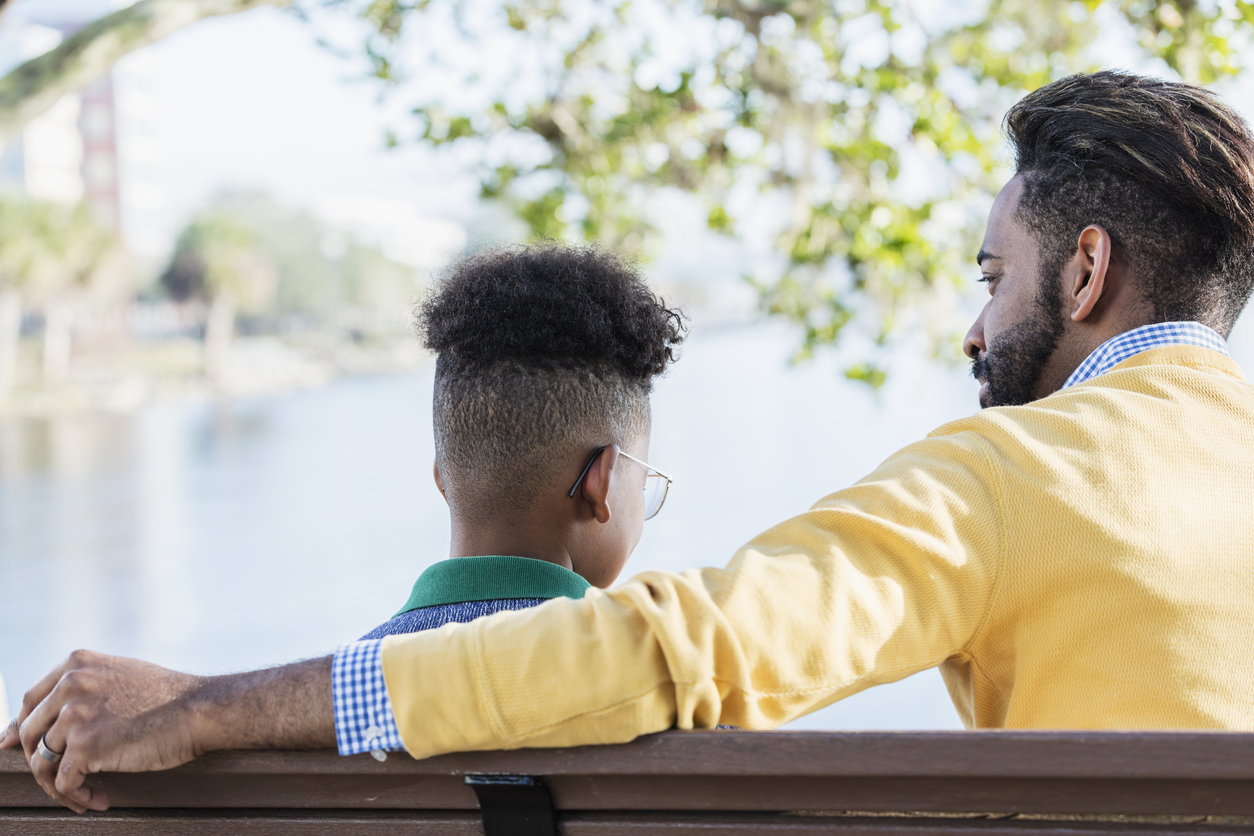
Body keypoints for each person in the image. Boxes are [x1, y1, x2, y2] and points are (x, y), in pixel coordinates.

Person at [8, 70, 1254, 816]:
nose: (976, 324)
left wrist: (210, 702)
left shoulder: (1010, 478)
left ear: (1087, 269)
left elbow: (673, 653)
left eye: (996, 274)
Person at [358, 244, 680, 639]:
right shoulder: (645, 660)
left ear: (444, 478)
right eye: (643, 484)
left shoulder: (347, 673)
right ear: (602, 483)